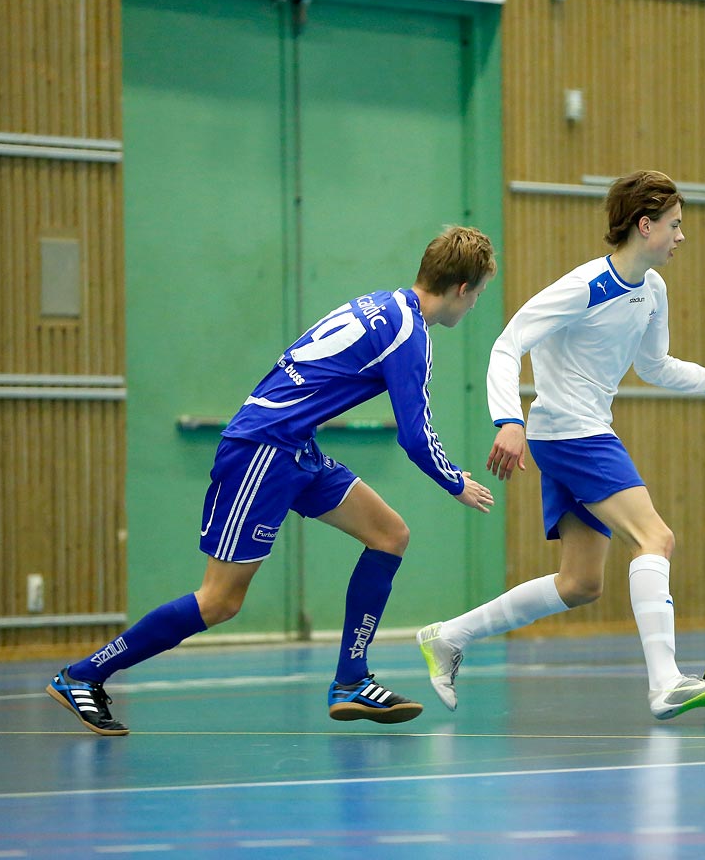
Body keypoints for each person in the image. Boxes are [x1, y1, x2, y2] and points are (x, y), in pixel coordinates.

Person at [46, 226, 499, 736]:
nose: (476, 303)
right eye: (479, 293)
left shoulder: (383, 303)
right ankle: (83, 675)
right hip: (264, 448)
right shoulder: (409, 335)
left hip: (295, 447)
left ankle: (350, 679)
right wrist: (456, 481)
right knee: (220, 600)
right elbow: (416, 436)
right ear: (462, 288)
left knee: (389, 535)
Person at [417, 170, 705, 720]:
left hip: (576, 432)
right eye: (674, 225)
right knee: (656, 536)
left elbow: (655, 366)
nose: (681, 236)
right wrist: (508, 420)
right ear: (644, 224)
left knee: (580, 583)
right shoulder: (584, 286)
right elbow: (507, 346)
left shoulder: (653, 290)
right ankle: (665, 683)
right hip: (571, 431)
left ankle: (448, 636)